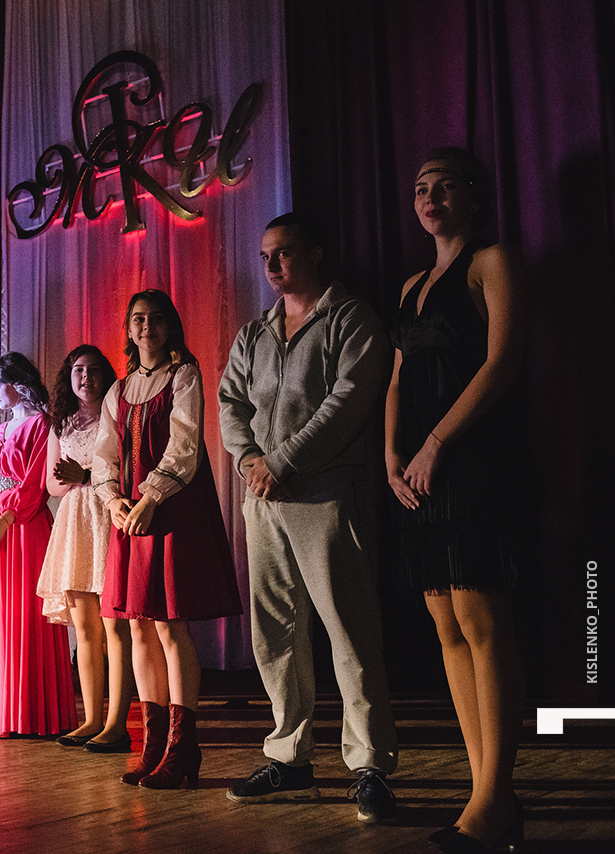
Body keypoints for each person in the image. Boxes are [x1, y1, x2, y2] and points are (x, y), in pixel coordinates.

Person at [218, 214, 397, 822]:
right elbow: (230, 402)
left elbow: (349, 399)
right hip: (263, 498)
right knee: (275, 633)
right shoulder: (254, 333)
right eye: (265, 256)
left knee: (349, 628)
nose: (272, 266)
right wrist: (250, 461)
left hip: (325, 493)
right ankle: (290, 759)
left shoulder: (350, 318)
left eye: (284, 253)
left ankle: (370, 766)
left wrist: (284, 461)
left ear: (316, 253)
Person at [387, 148, 528, 853]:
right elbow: (396, 378)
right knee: (445, 624)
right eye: (421, 188)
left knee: (480, 621)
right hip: (416, 470)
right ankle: (485, 793)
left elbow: (503, 361)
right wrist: (391, 455)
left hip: (470, 457)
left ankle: (494, 797)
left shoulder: (491, 260)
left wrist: (438, 442)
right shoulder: (411, 285)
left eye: (445, 186)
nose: (430, 197)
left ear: (473, 196)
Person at [93, 291, 242, 788]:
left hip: (170, 507)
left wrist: (150, 498)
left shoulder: (184, 376)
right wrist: (113, 500)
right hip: (130, 513)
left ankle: (183, 748)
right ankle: (152, 745)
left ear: (169, 325)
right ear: (128, 329)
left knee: (171, 626)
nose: (146, 326)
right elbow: (104, 454)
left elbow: (184, 445)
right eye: (138, 319)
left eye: (155, 319)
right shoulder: (119, 390)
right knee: (138, 626)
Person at [0, 353, 76, 738]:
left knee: (24, 612)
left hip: (23, 526)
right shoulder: (1, 430)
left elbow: (37, 482)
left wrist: (7, 517)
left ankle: (28, 711)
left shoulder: (42, 424)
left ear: (18, 383)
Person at [35, 345, 135, 753]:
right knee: (86, 631)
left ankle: (117, 724)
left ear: (105, 375)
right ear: (68, 377)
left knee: (115, 627)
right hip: (75, 521)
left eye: (93, 369)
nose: (85, 377)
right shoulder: (62, 423)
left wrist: (87, 474)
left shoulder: (119, 416)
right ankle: (92, 718)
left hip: (109, 516)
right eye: (78, 370)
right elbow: (51, 484)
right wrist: (72, 478)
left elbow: (130, 471)